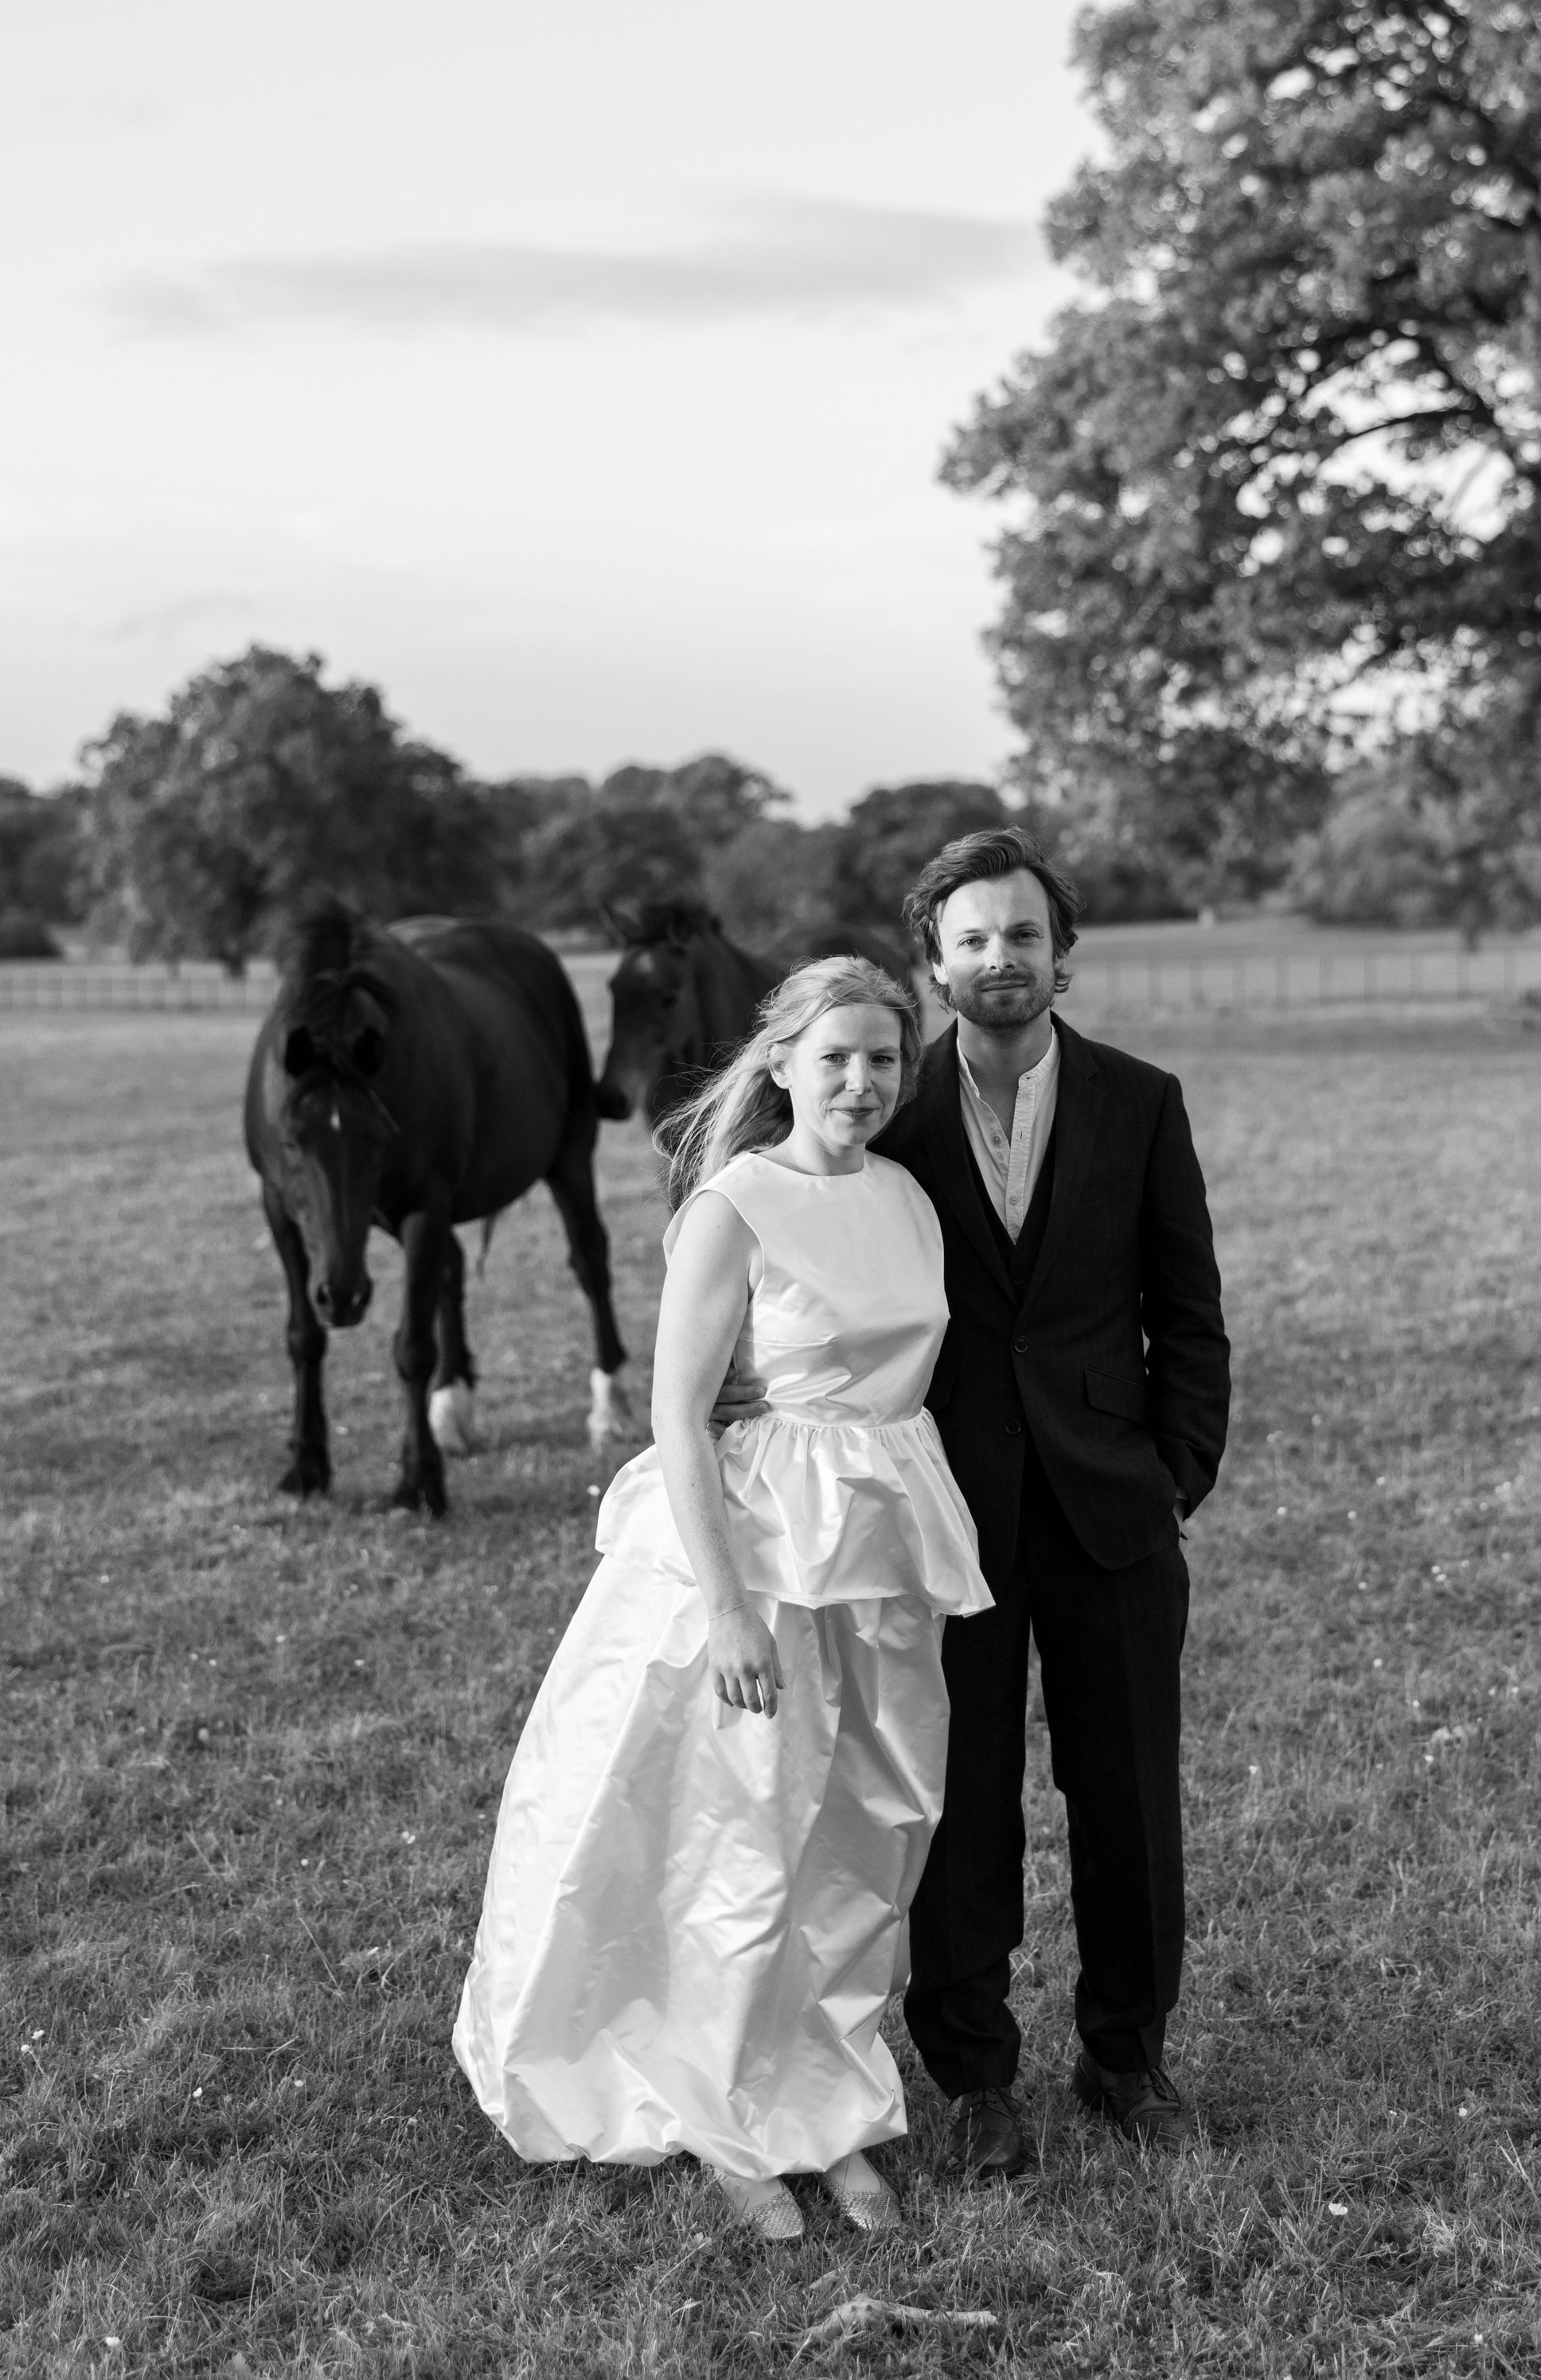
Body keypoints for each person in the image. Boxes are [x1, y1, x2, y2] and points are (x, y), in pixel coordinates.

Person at [452, 958, 991, 2242]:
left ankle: (831, 2108)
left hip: (883, 1551)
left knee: (867, 1832)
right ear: (784, 1066)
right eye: (836, 1058)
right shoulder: (734, 1205)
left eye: (882, 1059)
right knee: (743, 1844)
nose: (861, 1083)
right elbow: (679, 1419)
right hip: (759, 1554)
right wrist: (733, 1605)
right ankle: (725, 2117)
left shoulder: (911, 1199)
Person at [872, 828, 1231, 2179]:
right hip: (944, 1517)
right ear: (938, 961)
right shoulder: (886, 1113)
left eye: (1023, 935)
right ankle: (975, 2078)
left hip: (1112, 1513)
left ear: (1060, 955)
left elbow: (1189, 1317)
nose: (1000, 959)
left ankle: (1126, 2056)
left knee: (1129, 1792)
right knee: (959, 1800)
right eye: (972, 939)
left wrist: (1172, 1476)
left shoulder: (1142, 1101)